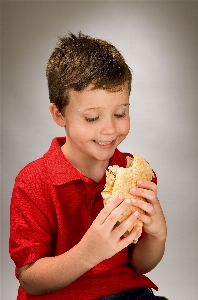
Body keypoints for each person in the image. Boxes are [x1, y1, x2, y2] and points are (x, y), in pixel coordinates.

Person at [9, 32, 167, 300]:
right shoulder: (33, 182)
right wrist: (88, 253)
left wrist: (157, 235)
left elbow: (139, 264)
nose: (109, 129)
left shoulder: (138, 173)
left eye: (120, 113)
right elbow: (31, 280)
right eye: (92, 118)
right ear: (59, 114)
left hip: (127, 292)